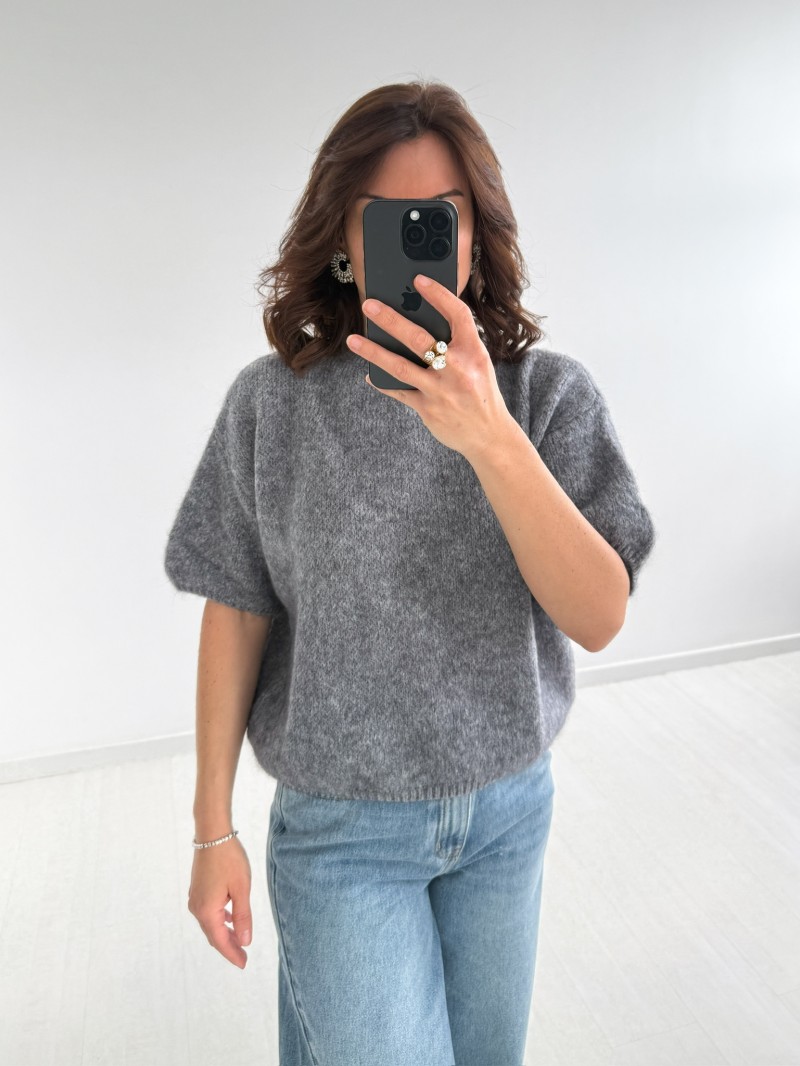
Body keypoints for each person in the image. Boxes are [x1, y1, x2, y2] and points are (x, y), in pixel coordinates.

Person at [164, 79, 656, 1066]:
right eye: (388, 218)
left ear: (475, 235)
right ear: (344, 240)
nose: (418, 237)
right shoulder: (272, 405)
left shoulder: (547, 396)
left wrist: (491, 438)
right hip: (342, 832)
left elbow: (599, 614)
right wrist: (211, 828)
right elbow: (237, 605)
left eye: (441, 216)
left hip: (507, 815)